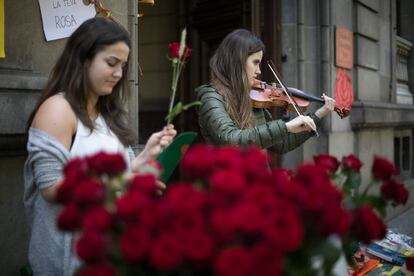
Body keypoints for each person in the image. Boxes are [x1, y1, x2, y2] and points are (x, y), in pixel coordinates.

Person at [23, 17, 176, 275]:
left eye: (123, 66)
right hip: (67, 260)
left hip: (109, 254)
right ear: (83, 59)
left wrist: (145, 157)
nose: (118, 73)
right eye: (111, 63)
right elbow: (51, 187)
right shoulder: (57, 109)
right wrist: (125, 180)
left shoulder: (110, 115)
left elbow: (121, 175)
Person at [196, 29, 336, 153]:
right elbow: (231, 140)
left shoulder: (252, 97)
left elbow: (281, 144)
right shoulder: (210, 97)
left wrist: (318, 114)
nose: (259, 71)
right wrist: (285, 126)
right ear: (237, 60)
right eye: (255, 62)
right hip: (230, 180)